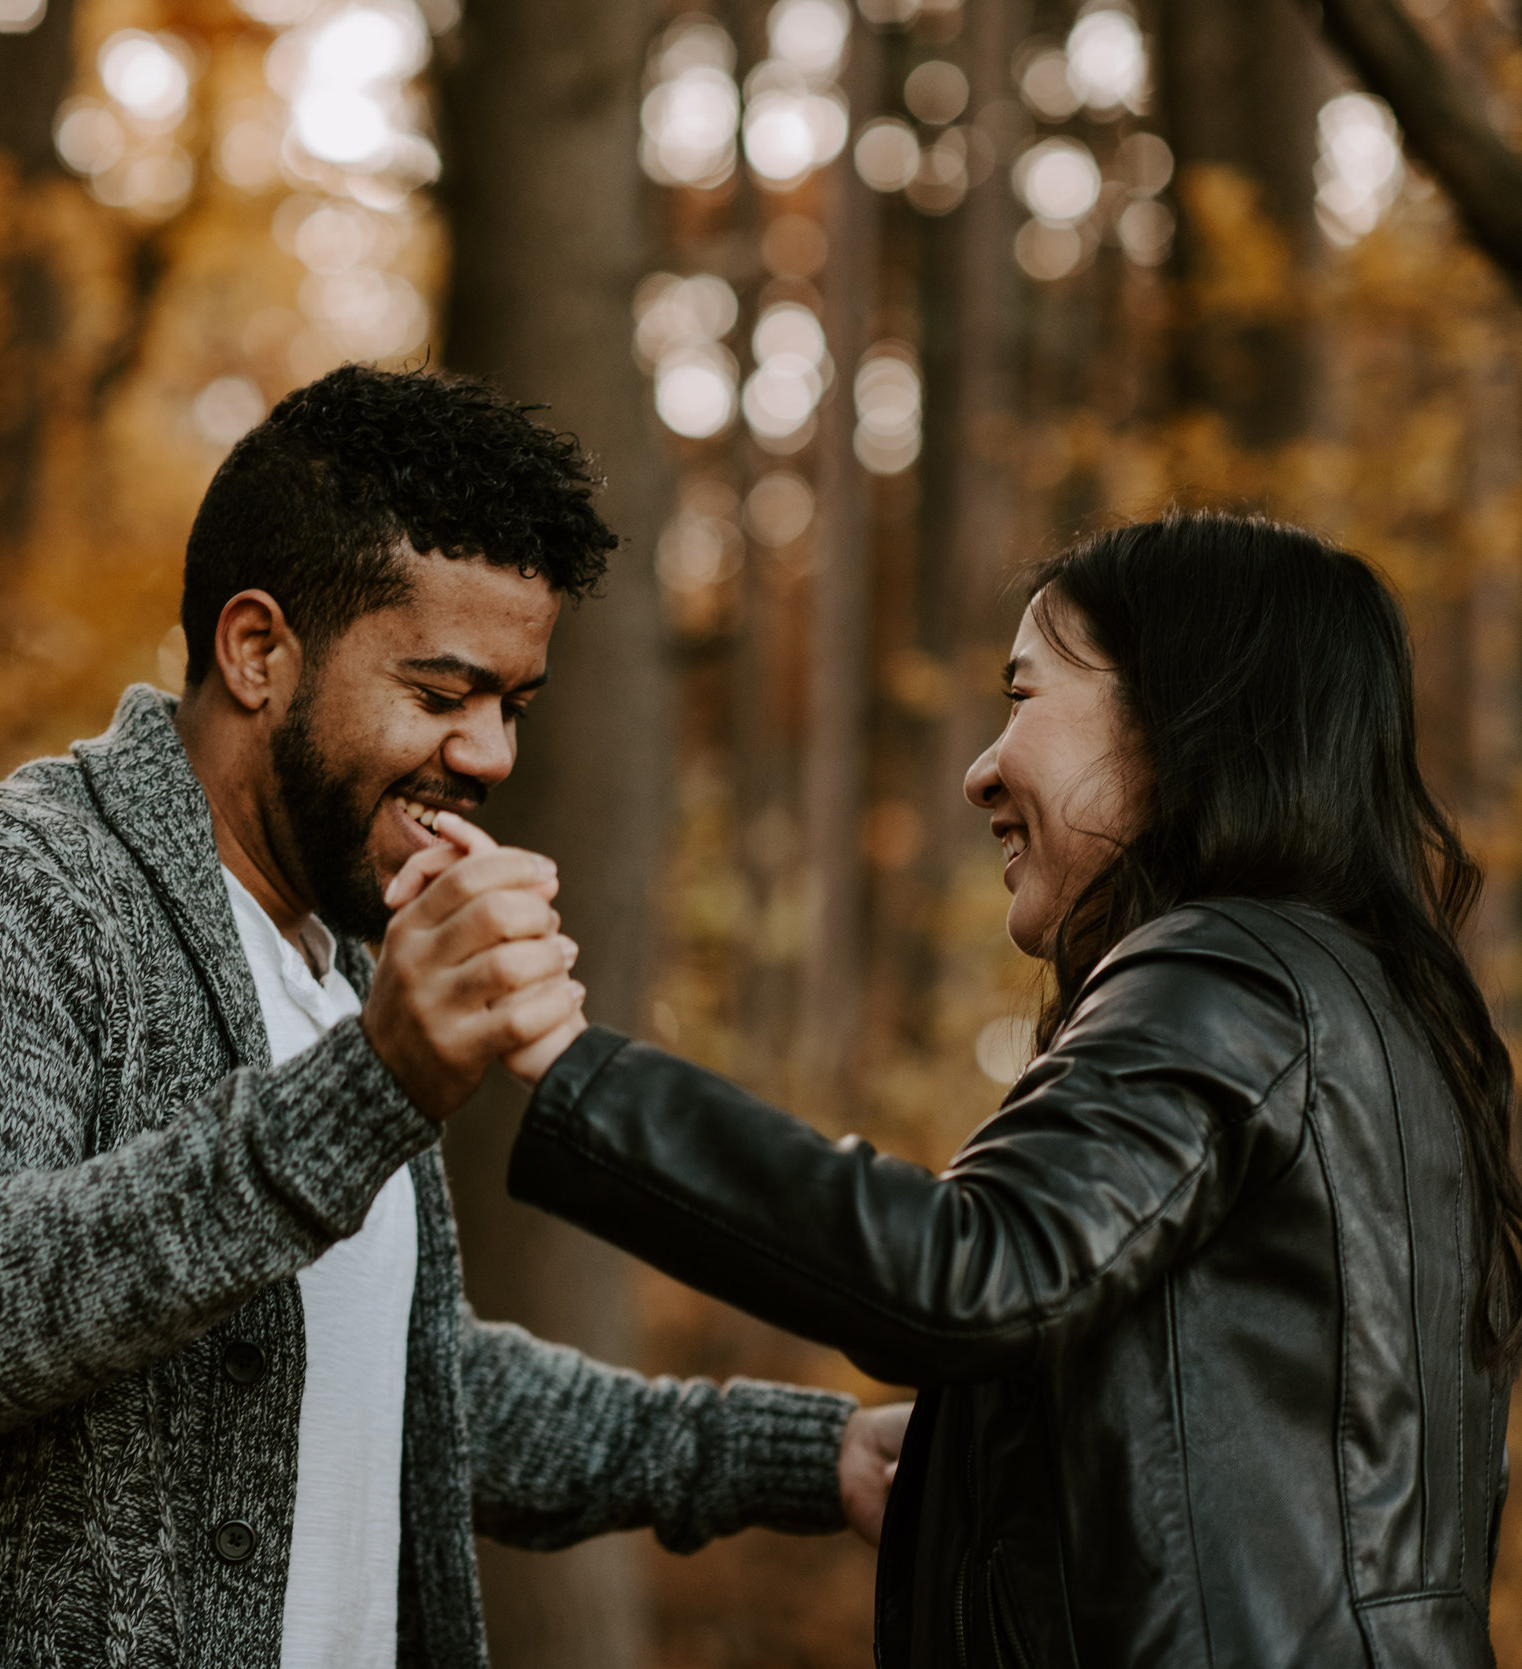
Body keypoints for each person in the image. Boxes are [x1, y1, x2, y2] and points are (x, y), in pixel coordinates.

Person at [0, 365, 900, 1669]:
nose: (492, 756)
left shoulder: (340, 968)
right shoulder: (1, 894)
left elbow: (401, 1383)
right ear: (257, 652)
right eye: (442, 691)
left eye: (512, 706)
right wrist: (373, 1087)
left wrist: (816, 1454)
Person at [474, 512, 1519, 1666]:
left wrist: (567, 1059)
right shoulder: (1380, 1012)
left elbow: (972, 1268)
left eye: (1021, 697)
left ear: (1185, 711)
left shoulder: (1225, 969)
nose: (979, 769)